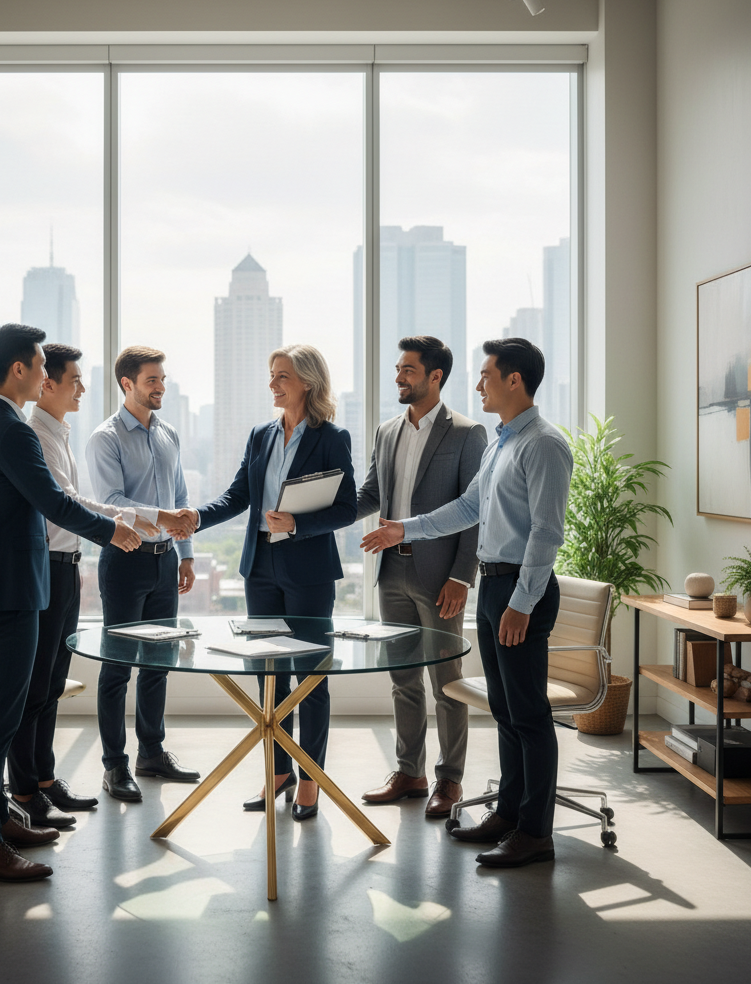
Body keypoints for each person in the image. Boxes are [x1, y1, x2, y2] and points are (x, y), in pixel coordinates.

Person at [362, 338, 572, 868]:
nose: (477, 384)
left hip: (520, 590)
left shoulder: (543, 445)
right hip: (493, 585)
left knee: (528, 715)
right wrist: (401, 530)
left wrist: (522, 604)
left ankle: (536, 832)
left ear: (514, 381)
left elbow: (547, 534)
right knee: (505, 712)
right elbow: (463, 508)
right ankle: (508, 814)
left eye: (486, 376)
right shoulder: (503, 443)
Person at [0, 323, 142, 884]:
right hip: (10, 589)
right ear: (19, 370)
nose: (44, 372)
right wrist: (114, 531)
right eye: (39, 365)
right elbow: (53, 502)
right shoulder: (11, 430)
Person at [186, 344, 357, 820]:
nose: (272, 384)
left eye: (281, 375)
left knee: (311, 678)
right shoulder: (261, 435)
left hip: (308, 573)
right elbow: (239, 494)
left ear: (306, 381)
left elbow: (345, 508)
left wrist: (298, 525)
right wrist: (196, 517)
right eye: (271, 374)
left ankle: (310, 780)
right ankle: (278, 772)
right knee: (269, 677)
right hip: (260, 568)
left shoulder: (332, 437)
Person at [9, 343, 164, 828]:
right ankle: (25, 790)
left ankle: (46, 781)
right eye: (74, 379)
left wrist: (125, 520)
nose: (81, 387)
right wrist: (125, 523)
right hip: (48, 566)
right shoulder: (35, 434)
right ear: (46, 383)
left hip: (67, 564)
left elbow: (76, 502)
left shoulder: (59, 433)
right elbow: (68, 505)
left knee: (52, 682)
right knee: (36, 686)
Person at [356, 336, 486, 816]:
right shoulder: (387, 431)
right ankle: (409, 771)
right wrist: (315, 514)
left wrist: (462, 576)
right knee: (402, 678)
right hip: (393, 570)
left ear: (435, 377)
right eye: (398, 369)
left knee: (447, 682)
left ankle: (448, 780)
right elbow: (371, 494)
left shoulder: (468, 434)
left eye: (408, 370)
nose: (398, 377)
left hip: (440, 576)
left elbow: (476, 511)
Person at [86, 345, 201, 803]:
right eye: (152, 380)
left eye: (162, 379)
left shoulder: (168, 433)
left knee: (158, 663)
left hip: (165, 559)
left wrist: (186, 552)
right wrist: (163, 516)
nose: (161, 387)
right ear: (126, 384)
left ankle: (151, 753)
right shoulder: (105, 437)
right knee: (118, 666)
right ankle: (114, 766)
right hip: (126, 559)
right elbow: (111, 501)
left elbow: (180, 491)